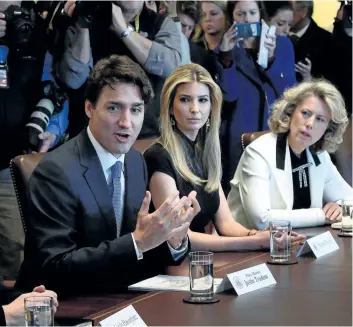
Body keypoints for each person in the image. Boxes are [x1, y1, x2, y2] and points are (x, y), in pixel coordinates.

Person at [15, 55, 199, 294]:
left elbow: (136, 252)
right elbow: (54, 268)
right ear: (89, 108)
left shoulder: (135, 161)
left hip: (117, 300)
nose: (126, 122)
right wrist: (139, 241)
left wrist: (174, 239)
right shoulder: (55, 171)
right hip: (63, 306)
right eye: (114, 108)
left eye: (136, 110)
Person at [144, 64, 304, 252]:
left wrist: (261, 236)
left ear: (212, 106)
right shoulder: (158, 156)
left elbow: (226, 224)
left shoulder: (204, 153)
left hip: (200, 260)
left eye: (203, 100)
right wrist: (255, 242)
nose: (195, 109)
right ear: (170, 107)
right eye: (185, 100)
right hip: (169, 264)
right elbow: (177, 236)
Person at [0, 1, 68, 279]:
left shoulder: (36, 30)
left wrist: (51, 130)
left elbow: (56, 91)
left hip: (15, 162)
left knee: (15, 250)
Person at [227, 80, 353, 230]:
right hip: (246, 247)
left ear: (328, 128)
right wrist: (321, 215)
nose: (310, 124)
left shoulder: (319, 156)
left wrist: (339, 207)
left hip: (298, 243)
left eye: (320, 119)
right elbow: (261, 220)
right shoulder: (259, 152)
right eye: (306, 113)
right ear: (290, 112)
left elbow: (349, 199)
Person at [58, 0, 182, 140]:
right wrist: (83, 22)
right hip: (94, 136)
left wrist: (124, 31)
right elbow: (73, 80)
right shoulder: (88, 17)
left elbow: (171, 66)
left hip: (147, 136)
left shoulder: (160, 24)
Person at [218, 0, 296, 194]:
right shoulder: (225, 50)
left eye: (252, 13)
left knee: (277, 191)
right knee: (241, 192)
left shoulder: (282, 43)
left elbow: (290, 92)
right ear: (232, 18)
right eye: (240, 14)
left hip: (274, 127)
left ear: (260, 15)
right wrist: (225, 56)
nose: (247, 19)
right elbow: (228, 95)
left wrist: (270, 59)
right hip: (238, 132)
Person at [262, 1, 312, 81]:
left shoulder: (287, 44)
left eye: (289, 24)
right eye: (280, 24)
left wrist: (306, 77)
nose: (286, 30)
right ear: (265, 21)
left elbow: (290, 84)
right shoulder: (250, 44)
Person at [289, 0, 332, 82]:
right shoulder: (275, 34)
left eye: (289, 9)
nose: (284, 13)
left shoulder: (327, 42)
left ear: (303, 11)